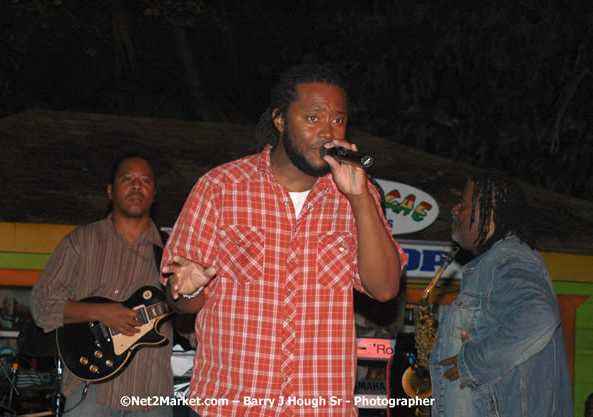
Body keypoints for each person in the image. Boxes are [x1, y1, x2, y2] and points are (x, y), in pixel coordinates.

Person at [161, 64, 408, 417]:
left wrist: (359, 198)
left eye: (337, 120)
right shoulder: (220, 188)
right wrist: (186, 288)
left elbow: (385, 289)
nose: (327, 132)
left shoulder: (357, 198)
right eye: (312, 118)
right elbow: (182, 302)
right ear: (279, 120)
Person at [30, 154, 173, 417]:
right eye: (127, 179)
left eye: (145, 181)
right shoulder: (79, 242)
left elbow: (192, 323)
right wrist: (100, 312)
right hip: (89, 387)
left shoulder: (172, 252)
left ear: (154, 194)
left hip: (150, 390)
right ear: (110, 190)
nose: (136, 186)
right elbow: (41, 306)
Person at [429, 172, 574, 417]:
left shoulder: (507, 257)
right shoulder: (497, 261)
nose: (454, 210)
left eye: (464, 205)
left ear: (490, 212)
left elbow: (540, 315)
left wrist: (472, 364)